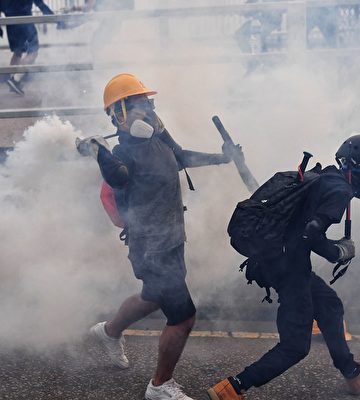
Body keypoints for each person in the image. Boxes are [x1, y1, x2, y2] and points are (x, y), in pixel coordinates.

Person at [76, 73, 235, 400]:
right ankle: (160, 386)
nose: (146, 109)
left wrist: (222, 157)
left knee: (152, 297)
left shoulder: (159, 136)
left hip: (172, 237)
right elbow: (118, 179)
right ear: (119, 113)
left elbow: (182, 158)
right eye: (138, 104)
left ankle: (108, 332)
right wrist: (98, 151)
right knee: (183, 316)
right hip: (152, 249)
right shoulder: (122, 152)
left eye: (148, 102)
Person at [207, 134, 360, 399]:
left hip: (275, 260)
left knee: (328, 304)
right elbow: (310, 234)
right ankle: (233, 387)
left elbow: (281, 212)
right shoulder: (339, 190)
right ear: (358, 171)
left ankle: (352, 372)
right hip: (290, 268)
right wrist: (338, 251)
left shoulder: (320, 177)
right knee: (295, 346)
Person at [0, 0, 54, 95]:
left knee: (18, 52)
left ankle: (12, 79)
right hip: (25, 22)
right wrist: (54, 18)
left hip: (11, 23)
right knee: (33, 52)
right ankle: (15, 80)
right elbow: (40, 3)